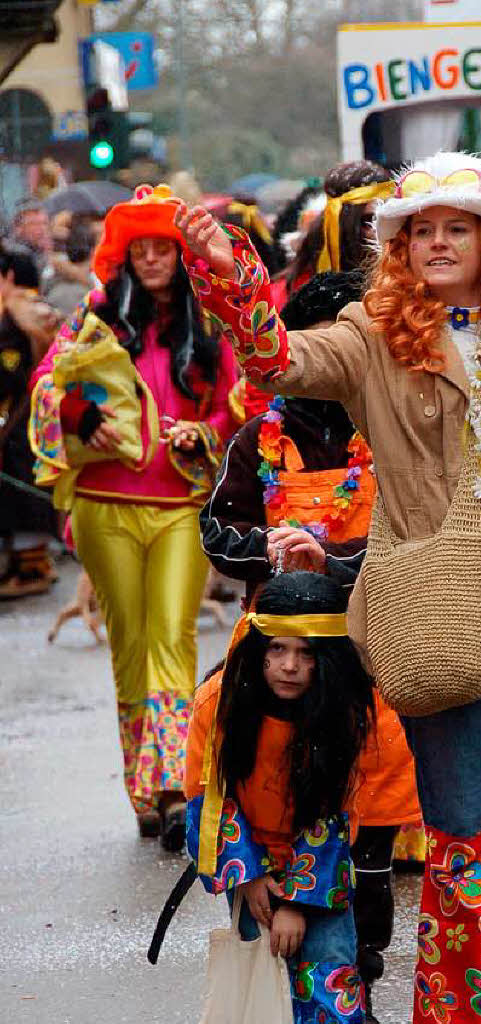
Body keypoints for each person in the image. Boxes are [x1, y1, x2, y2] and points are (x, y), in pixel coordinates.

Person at [176, 151, 481, 1021]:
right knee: (460, 823)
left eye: (459, 227)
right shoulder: (370, 339)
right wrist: (231, 276)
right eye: (422, 231)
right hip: (436, 616)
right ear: (401, 250)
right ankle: (480, 1012)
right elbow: (275, 362)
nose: (439, 243)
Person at [200, 269, 422, 1023]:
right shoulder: (255, 439)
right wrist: (272, 551)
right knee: (245, 757)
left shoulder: (394, 426)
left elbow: (421, 535)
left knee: (376, 762)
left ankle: (362, 915)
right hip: (278, 643)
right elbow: (214, 533)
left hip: (372, 635)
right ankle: (267, 899)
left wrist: (338, 563)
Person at [28, 183, 239, 849]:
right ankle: (142, 790)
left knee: (172, 636)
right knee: (129, 643)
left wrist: (201, 431)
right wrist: (82, 415)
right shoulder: (92, 318)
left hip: (179, 504)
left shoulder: (208, 322)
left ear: (181, 255)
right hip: (103, 506)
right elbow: (45, 388)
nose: (152, 259)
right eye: (140, 248)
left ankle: (174, 783)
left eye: (164, 248)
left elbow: (243, 398)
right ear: (124, 255)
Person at [185, 571, 374, 1023]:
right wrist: (248, 878)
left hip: (319, 871)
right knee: (264, 993)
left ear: (325, 659)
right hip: (251, 868)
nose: (289, 665)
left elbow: (339, 809)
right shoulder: (218, 701)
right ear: (258, 649)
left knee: (328, 981)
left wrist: (297, 900)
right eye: (277, 649)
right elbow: (205, 798)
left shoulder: (344, 709)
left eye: (306, 653)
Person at [0, 241, 60, 597]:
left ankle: (33, 566)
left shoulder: (20, 315)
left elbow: (13, 372)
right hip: (33, 418)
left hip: (23, 419)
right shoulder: (32, 309)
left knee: (22, 492)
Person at [271, 160, 392, 309]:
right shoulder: (289, 297)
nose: (381, 232)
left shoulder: (408, 285)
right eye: (369, 221)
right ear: (341, 226)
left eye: (389, 219)